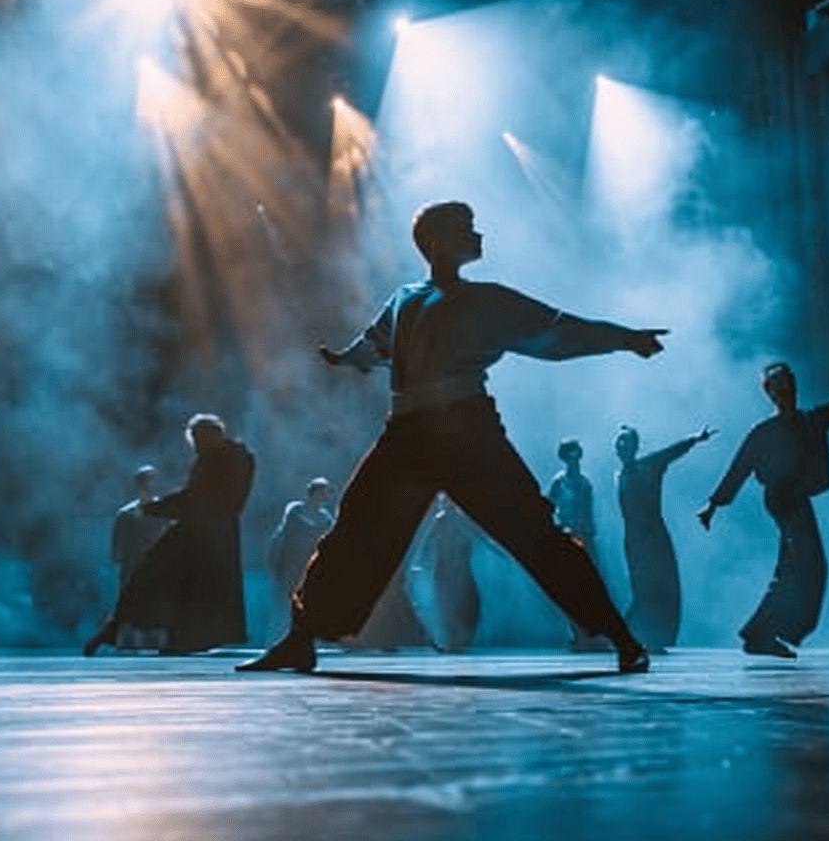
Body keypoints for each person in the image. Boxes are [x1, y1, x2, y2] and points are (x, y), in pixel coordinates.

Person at [238, 201, 661, 674]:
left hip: (466, 432)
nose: (478, 236)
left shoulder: (488, 300)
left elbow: (559, 332)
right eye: (466, 229)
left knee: (535, 533)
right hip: (407, 434)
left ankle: (620, 636)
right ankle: (301, 638)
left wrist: (624, 338)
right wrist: (345, 358)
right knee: (353, 533)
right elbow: (375, 346)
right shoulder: (405, 299)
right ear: (436, 241)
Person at [698, 358, 829, 658]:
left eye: (790, 385)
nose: (787, 391)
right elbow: (739, 467)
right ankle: (761, 633)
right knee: (807, 565)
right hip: (782, 500)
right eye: (779, 387)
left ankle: (763, 633)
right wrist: (713, 505)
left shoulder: (812, 420)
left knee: (797, 566)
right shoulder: (764, 431)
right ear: (770, 393)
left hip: (796, 499)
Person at [84, 414, 254, 655]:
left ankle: (125, 629)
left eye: (196, 438)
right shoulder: (235, 459)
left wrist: (153, 508)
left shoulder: (214, 461)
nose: (194, 444)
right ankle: (176, 637)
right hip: (213, 533)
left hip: (198, 533)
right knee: (184, 586)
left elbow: (195, 498)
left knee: (159, 577)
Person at [616, 424, 715, 652]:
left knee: (661, 588)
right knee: (641, 591)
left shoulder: (648, 465)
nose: (621, 446)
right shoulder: (620, 475)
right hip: (633, 541)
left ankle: (648, 637)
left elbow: (671, 452)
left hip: (654, 538)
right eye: (618, 442)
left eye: (626, 441)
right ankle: (630, 636)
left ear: (635, 446)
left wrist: (695, 438)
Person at [548, 438, 606, 650]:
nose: (573, 458)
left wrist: (590, 533)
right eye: (569, 453)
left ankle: (593, 631)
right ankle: (576, 633)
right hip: (567, 535)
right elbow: (548, 506)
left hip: (585, 536)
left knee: (590, 583)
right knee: (569, 585)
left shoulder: (585, 483)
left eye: (576, 453)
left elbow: (589, 510)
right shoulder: (559, 482)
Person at [109, 465, 172, 649]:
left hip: (157, 566)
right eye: (146, 480)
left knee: (157, 607)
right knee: (132, 607)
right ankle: (130, 643)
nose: (150, 484)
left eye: (152, 480)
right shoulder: (127, 513)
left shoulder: (163, 511)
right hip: (134, 565)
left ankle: (157, 642)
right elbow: (119, 544)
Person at [412, 493, 483, 652]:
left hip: (456, 574)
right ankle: (453, 644)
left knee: (462, 609)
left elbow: (426, 546)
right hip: (451, 575)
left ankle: (455, 644)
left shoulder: (458, 520)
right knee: (456, 609)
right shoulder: (447, 519)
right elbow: (427, 545)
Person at [268, 477, 335, 593]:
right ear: (312, 493)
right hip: (288, 568)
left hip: (309, 570)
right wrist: (275, 564)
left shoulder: (326, 520)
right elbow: (280, 538)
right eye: (321, 493)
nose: (323, 498)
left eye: (325, 494)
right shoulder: (295, 512)